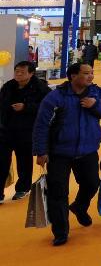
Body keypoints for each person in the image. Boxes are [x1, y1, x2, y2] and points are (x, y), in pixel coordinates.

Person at [32, 62, 101, 246]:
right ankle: (61, 231)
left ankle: (79, 206)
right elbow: (41, 125)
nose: (91, 76)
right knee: (58, 192)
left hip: (88, 150)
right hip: (59, 152)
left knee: (92, 183)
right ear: (73, 76)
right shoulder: (56, 97)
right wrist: (41, 151)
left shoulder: (97, 93)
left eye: (92, 73)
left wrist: (95, 104)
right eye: (86, 73)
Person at [0, 61, 50, 201]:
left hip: (27, 131)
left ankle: (23, 188)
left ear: (31, 73)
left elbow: (47, 107)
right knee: (2, 161)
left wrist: (26, 107)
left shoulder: (40, 88)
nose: (18, 74)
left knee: (24, 161)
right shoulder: (8, 86)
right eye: (17, 71)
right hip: (6, 130)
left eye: (22, 72)